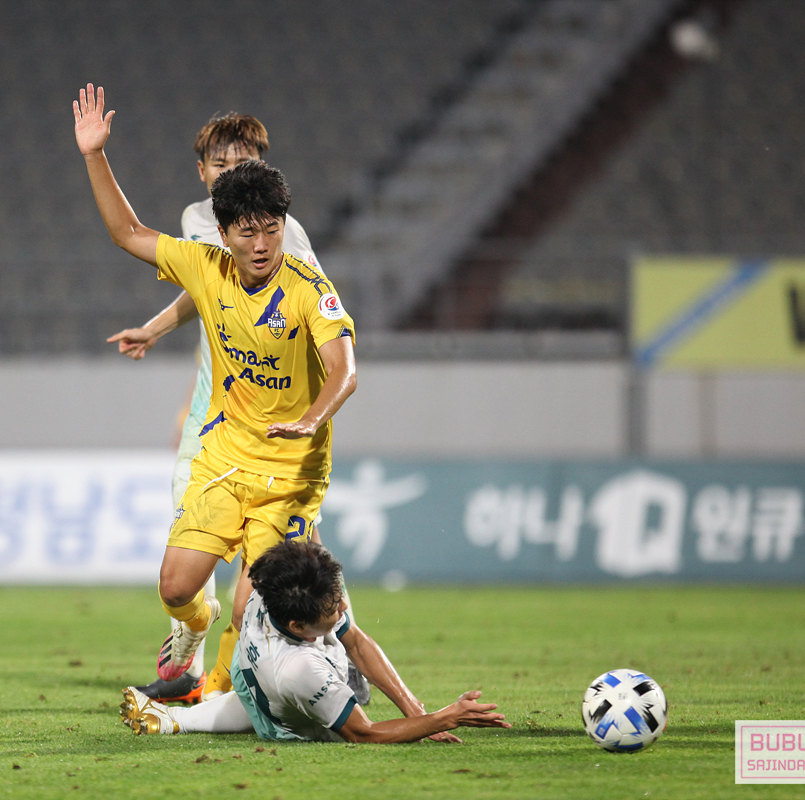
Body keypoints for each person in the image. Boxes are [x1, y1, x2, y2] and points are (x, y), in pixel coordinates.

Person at [75, 84, 357, 700]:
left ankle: (257, 676)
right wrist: (94, 154)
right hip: (224, 436)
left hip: (286, 449)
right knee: (178, 584)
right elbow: (147, 245)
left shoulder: (300, 267)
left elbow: (341, 362)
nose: (261, 243)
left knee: (261, 596)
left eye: (269, 231)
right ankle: (195, 634)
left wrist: (311, 416)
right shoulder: (202, 238)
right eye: (221, 163)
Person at [119, 541, 512, 742]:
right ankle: (184, 718)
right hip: (286, 713)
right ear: (298, 625)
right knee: (334, 699)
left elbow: (356, 641)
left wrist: (415, 709)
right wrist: (445, 717)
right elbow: (364, 733)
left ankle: (175, 719)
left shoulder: (279, 585)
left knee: (271, 689)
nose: (343, 606)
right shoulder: (302, 670)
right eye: (332, 608)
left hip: (251, 673)